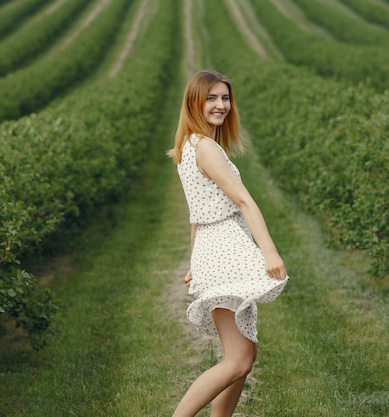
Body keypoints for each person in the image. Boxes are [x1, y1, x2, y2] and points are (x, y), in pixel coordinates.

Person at [167, 69, 289, 417]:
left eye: (225, 97)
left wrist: (194, 261)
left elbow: (196, 213)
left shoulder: (191, 145)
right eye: (211, 98)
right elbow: (245, 202)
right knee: (239, 358)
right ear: (194, 102)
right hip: (224, 250)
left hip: (214, 248)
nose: (221, 105)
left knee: (244, 355)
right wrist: (269, 251)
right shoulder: (205, 148)